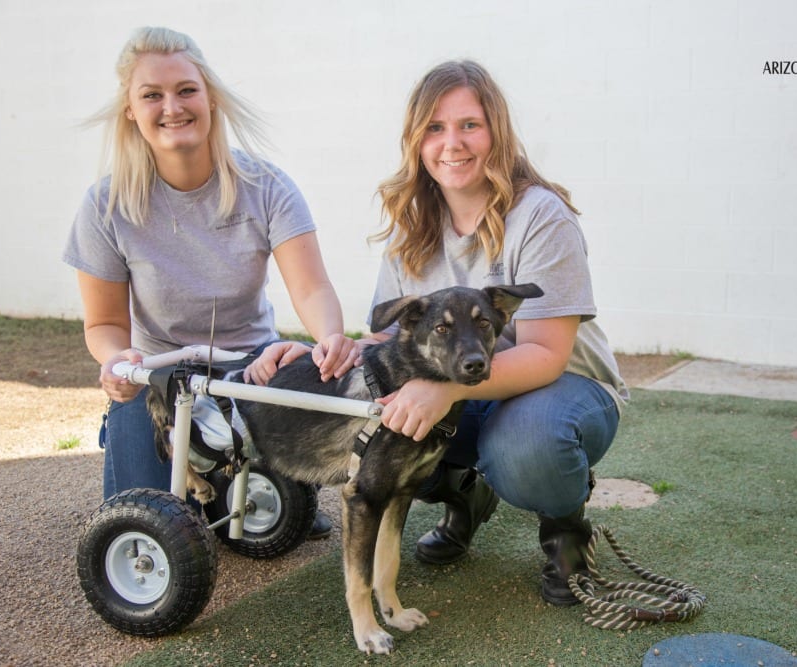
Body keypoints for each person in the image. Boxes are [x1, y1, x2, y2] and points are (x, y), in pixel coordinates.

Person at [252, 60, 628, 604]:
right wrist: (320, 355)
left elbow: (546, 354)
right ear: (416, 141)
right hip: (467, 385)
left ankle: (566, 533)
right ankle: (467, 496)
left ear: (495, 131)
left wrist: (445, 390)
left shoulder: (540, 216)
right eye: (434, 127)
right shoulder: (413, 225)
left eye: (469, 125)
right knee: (390, 422)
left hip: (562, 389)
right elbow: (392, 345)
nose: (452, 143)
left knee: (524, 447)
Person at [62, 27, 357, 539]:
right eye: (151, 95)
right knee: (146, 520)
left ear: (210, 97)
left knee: (250, 523)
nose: (171, 106)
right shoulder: (104, 206)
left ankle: (270, 476)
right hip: (156, 376)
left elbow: (310, 288)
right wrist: (118, 360)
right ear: (131, 109)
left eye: (186, 90)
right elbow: (106, 323)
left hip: (247, 370)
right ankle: (138, 439)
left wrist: (329, 335)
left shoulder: (266, 186)